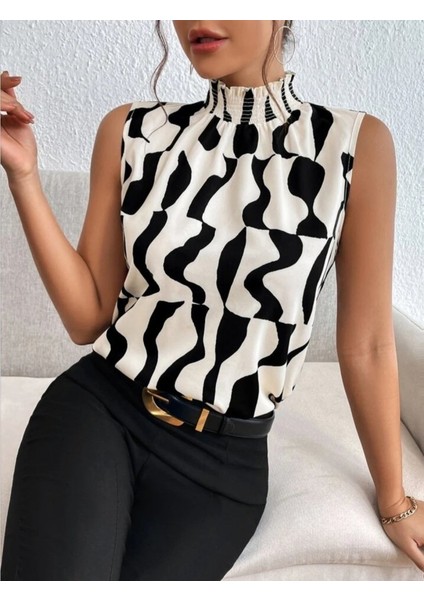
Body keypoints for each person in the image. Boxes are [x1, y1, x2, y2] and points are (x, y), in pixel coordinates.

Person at [0, 20, 423, 581]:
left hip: (223, 466)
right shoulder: (132, 130)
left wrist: (395, 502)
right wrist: (24, 175)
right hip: (100, 410)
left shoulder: (353, 145)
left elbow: (368, 345)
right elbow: (87, 320)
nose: (197, 17)